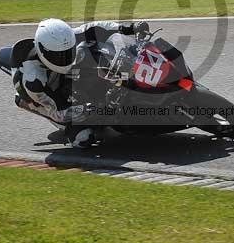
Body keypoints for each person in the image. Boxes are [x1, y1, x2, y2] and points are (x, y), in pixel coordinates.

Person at [13, 18, 149, 148]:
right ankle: (72, 132)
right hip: (47, 100)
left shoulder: (64, 40)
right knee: (83, 136)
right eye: (58, 56)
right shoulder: (34, 81)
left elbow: (94, 28)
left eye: (68, 52)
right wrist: (87, 109)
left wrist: (128, 28)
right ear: (43, 52)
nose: (64, 58)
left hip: (59, 73)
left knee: (89, 47)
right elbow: (58, 112)